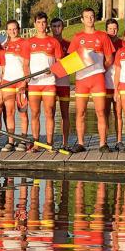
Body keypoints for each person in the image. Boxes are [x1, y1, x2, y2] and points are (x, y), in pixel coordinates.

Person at [68, 8, 114, 153]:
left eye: (92, 16)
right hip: (82, 80)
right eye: (86, 17)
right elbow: (71, 60)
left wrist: (100, 69)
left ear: (95, 18)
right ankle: (81, 143)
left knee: (101, 112)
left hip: (98, 79)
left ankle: (103, 143)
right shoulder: (77, 37)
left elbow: (109, 59)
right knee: (80, 112)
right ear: (82, 20)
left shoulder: (103, 36)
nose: (89, 19)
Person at [23, 12, 63, 152]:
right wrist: (27, 76)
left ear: (46, 24)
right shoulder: (29, 42)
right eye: (38, 22)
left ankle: (49, 143)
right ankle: (36, 143)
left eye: (43, 22)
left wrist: (52, 70)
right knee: (34, 114)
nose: (41, 25)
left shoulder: (54, 42)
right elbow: (26, 64)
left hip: (49, 82)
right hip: (34, 83)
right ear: (35, 24)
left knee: (49, 113)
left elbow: (59, 64)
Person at [0, 19, 29, 152]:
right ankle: (10, 141)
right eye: (10, 29)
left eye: (15, 29)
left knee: (22, 113)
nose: (12, 31)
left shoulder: (24, 43)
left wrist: (24, 81)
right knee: (9, 112)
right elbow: (3, 67)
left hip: (20, 81)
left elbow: (26, 64)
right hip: (7, 82)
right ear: (7, 31)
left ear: (18, 29)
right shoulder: (4, 45)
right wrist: (1, 84)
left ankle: (23, 140)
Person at [51, 17, 71, 151]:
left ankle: (65, 143)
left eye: (59, 26)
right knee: (49, 114)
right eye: (54, 26)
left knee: (65, 113)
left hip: (63, 82)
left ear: (62, 27)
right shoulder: (48, 42)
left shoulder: (69, 44)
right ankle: (49, 142)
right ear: (50, 28)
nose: (56, 28)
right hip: (49, 83)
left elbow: (71, 65)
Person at [105, 18, 125, 151]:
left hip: (119, 84)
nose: (113, 31)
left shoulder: (123, 43)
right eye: (111, 29)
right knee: (104, 114)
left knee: (118, 113)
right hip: (105, 84)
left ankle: (119, 141)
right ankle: (104, 141)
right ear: (106, 29)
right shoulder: (102, 41)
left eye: (115, 28)